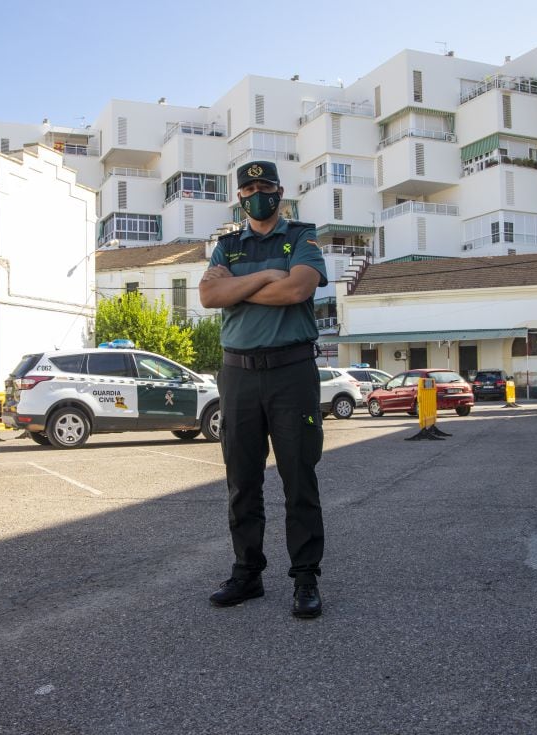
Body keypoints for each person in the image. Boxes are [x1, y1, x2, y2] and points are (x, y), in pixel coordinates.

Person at [198, 160, 328, 619]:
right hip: (238, 376)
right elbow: (208, 296)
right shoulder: (227, 246)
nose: (258, 193)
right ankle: (247, 573)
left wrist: (236, 286)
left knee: (298, 477)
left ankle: (305, 578)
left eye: (265, 186)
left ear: (280, 191)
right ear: (240, 197)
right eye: (249, 187)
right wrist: (266, 277)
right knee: (242, 480)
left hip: (291, 372)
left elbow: (297, 291)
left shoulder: (301, 239)